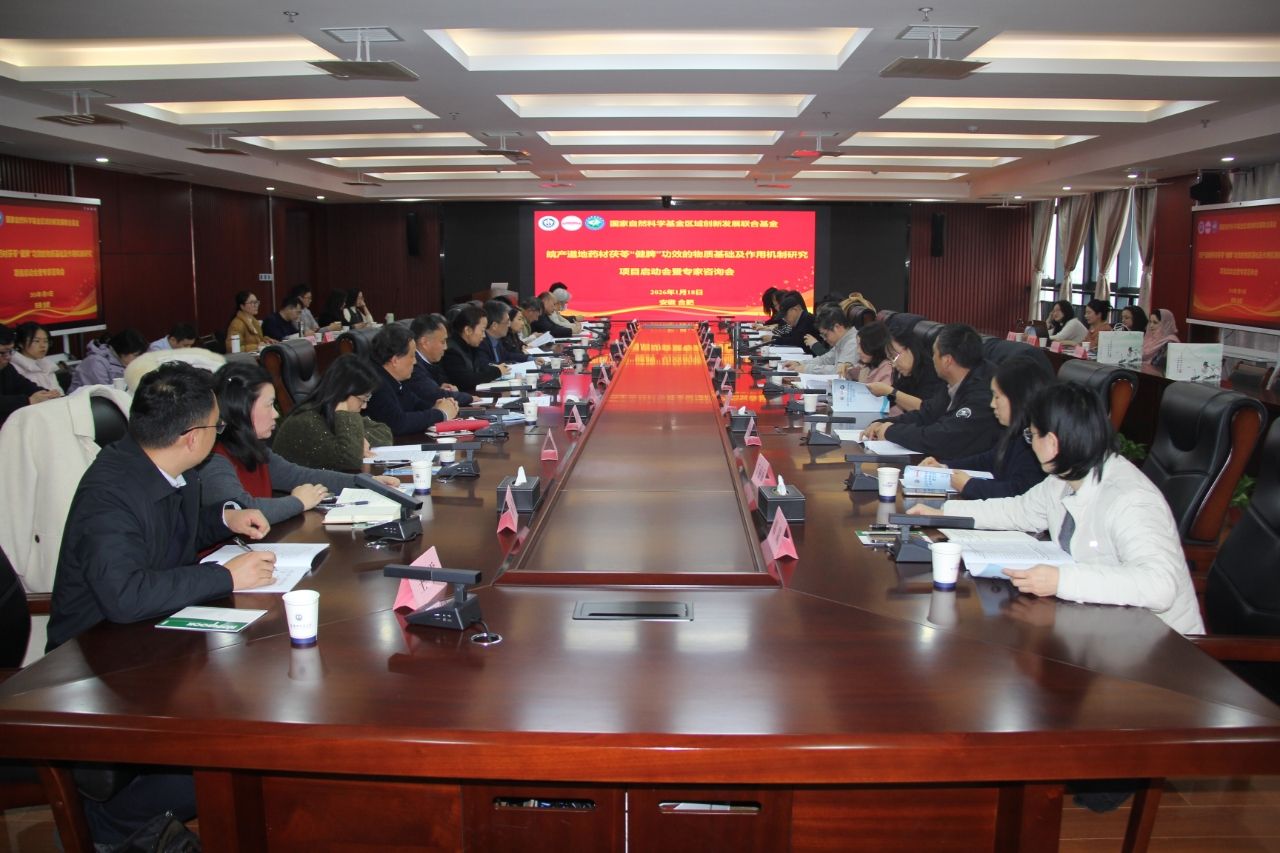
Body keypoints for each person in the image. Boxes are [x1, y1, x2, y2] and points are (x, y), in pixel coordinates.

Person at [46, 361, 277, 846]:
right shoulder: (110, 493)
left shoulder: (167, 467)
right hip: (95, 662)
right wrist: (223, 575)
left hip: (152, 636)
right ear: (192, 438)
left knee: (252, 695)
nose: (219, 433)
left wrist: (225, 520)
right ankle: (111, 826)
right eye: (215, 426)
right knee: (233, 745)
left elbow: (177, 533)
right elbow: (125, 596)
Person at [915, 381, 1203, 636]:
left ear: (1052, 443)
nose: (1030, 445)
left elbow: (1159, 586)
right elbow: (1018, 511)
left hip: (1160, 648)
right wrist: (944, 513)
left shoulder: (1131, 499)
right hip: (1102, 625)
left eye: (1032, 436)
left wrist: (1061, 580)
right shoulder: (1066, 477)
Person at [200, 363, 398, 524]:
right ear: (241, 408)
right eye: (269, 405)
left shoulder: (255, 449)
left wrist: (365, 482)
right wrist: (297, 502)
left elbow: (301, 475)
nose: (276, 414)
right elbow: (241, 511)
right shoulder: (213, 458)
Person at [917, 355, 1055, 499]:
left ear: (1017, 398)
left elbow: (1019, 493)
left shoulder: (1036, 442)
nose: (992, 404)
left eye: (997, 397)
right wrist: (945, 467)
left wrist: (970, 485)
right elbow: (989, 460)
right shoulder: (1015, 432)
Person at [860, 323, 1001, 459]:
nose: (932, 358)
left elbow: (942, 438)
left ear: (947, 361)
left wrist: (891, 431)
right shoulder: (953, 381)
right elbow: (927, 413)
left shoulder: (983, 392)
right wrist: (882, 423)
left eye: (934, 354)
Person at [274, 355, 395, 471]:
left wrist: (357, 440)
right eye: (363, 399)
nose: (364, 406)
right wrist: (345, 414)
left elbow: (385, 433)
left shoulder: (330, 413)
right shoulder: (306, 422)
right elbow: (351, 459)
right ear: (343, 394)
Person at [365, 323, 459, 434]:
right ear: (395, 360)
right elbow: (398, 423)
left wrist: (440, 406)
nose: (415, 362)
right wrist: (440, 413)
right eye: (412, 356)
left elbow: (415, 404)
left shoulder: (396, 380)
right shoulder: (375, 384)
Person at [863, 317, 947, 418]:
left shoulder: (933, 374)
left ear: (910, 348)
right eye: (890, 359)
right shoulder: (908, 375)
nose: (894, 364)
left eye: (894, 356)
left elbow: (925, 409)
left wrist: (889, 391)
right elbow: (889, 401)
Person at [406, 313, 474, 407]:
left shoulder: (431, 362)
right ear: (425, 342)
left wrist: (440, 388)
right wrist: (470, 398)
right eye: (442, 341)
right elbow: (435, 396)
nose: (446, 347)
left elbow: (435, 391)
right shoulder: (413, 366)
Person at [0, 325, 62, 428]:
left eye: (10, 351)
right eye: (2, 352)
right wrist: (28, 400)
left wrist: (46, 394)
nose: (8, 357)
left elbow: (23, 385)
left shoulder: (7, 368)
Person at [441, 303, 510, 392]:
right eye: (482, 330)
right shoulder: (451, 351)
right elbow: (466, 380)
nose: (484, 336)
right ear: (468, 330)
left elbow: (480, 368)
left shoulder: (471, 345)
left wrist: (496, 368)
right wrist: (496, 371)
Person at [782, 303, 858, 374]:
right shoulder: (843, 340)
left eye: (825, 335)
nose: (824, 339)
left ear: (837, 327)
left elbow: (840, 371)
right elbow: (825, 359)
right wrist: (799, 363)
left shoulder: (853, 342)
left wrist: (807, 369)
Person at [69, 329, 147, 391]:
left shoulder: (124, 362)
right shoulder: (95, 363)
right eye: (136, 355)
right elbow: (102, 393)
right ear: (123, 351)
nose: (139, 359)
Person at [9, 322, 62, 392]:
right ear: (20, 343)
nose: (43, 345)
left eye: (45, 341)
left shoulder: (47, 365)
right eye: (37, 341)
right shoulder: (13, 368)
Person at [481, 299, 531, 365]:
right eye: (507, 322)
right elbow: (486, 366)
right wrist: (507, 365)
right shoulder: (481, 343)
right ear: (494, 326)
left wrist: (529, 358)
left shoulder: (496, 339)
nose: (509, 325)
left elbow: (506, 355)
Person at [846, 321, 893, 385]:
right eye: (858, 345)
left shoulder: (887, 371)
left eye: (862, 346)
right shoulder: (869, 364)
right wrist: (846, 368)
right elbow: (852, 373)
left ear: (874, 345)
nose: (858, 351)